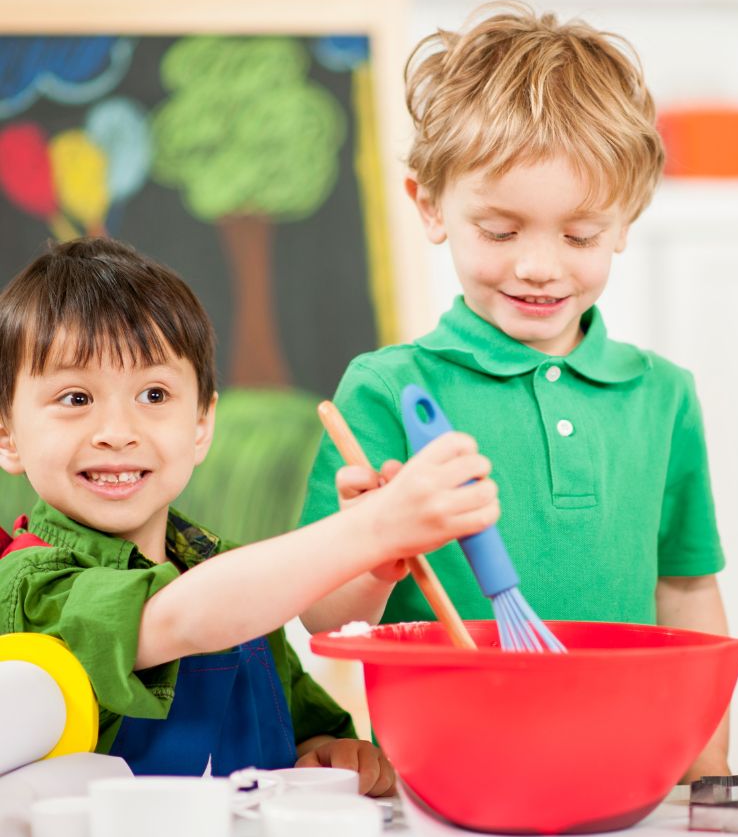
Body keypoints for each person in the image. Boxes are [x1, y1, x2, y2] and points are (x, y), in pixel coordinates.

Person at [299, 2, 732, 777]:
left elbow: (686, 592)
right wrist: (375, 544)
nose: (539, 266)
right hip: (439, 773)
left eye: (579, 234)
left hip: (624, 770)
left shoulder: (662, 397)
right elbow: (320, 612)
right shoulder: (389, 389)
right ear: (431, 206)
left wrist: (706, 770)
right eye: (500, 232)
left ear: (626, 220)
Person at [0, 237, 498, 790]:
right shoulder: (30, 584)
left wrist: (328, 753)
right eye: (75, 398)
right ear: (7, 434)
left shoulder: (226, 569)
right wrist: (368, 529)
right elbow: (178, 618)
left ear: (201, 426)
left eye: (154, 395)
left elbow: (302, 730)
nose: (117, 433)